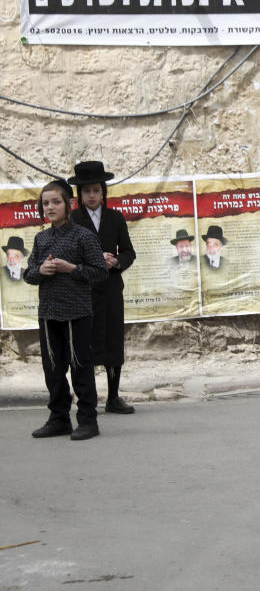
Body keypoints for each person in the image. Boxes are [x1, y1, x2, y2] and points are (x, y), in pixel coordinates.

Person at [25, 179, 109, 441]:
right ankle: (59, 418)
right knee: (53, 369)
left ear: (69, 204)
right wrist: (40, 270)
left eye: (56, 202)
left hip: (77, 313)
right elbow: (28, 274)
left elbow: (100, 272)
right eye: (45, 203)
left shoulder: (83, 236)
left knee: (80, 366)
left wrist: (71, 268)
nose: (50, 207)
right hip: (49, 313)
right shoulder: (41, 239)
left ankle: (87, 420)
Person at [69, 161, 138, 415]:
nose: (92, 195)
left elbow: (129, 252)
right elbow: (68, 254)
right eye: (86, 191)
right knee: (84, 343)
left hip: (110, 289)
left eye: (96, 190)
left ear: (103, 192)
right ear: (80, 194)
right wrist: (93, 261)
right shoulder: (73, 219)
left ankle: (113, 396)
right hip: (83, 290)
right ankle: (87, 397)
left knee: (112, 340)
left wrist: (116, 261)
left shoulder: (115, 217)